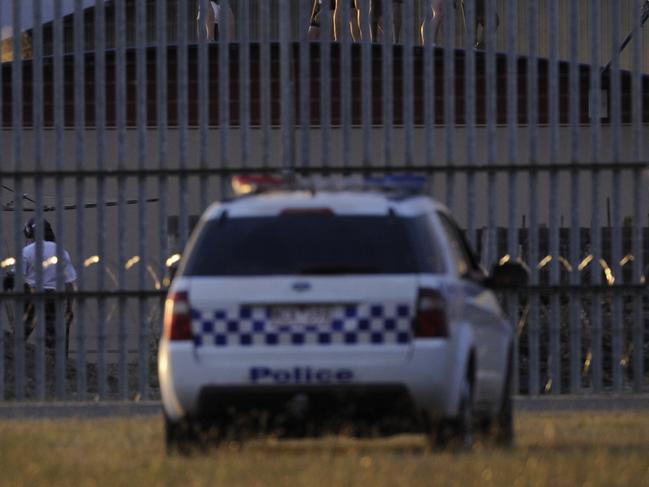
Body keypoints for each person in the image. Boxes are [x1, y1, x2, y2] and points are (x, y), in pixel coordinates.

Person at [21, 218, 77, 357]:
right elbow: (70, 283)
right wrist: (70, 308)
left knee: (22, 333)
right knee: (52, 338)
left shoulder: (26, 251)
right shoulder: (61, 252)